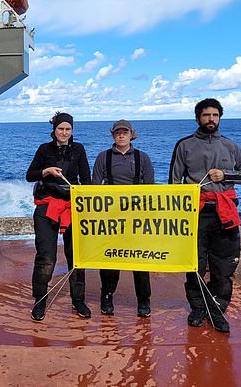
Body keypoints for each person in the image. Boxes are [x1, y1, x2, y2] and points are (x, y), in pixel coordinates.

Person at [169, 98, 241, 333]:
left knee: (224, 264)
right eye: (206, 115)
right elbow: (174, 182)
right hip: (196, 213)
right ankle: (197, 307)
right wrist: (178, 216)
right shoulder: (184, 145)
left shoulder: (230, 146)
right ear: (198, 118)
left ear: (220, 118)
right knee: (195, 263)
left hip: (224, 212)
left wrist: (225, 175)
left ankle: (217, 308)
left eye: (215, 115)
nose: (211, 119)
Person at [26, 112, 92, 321]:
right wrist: (46, 171)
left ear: (72, 131)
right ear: (54, 130)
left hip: (72, 207)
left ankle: (78, 300)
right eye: (60, 128)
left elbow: (86, 180)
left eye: (68, 129)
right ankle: (40, 300)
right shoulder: (44, 149)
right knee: (46, 258)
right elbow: (30, 175)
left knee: (76, 256)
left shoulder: (79, 149)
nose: (64, 132)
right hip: (47, 207)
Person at [91, 119, 155, 317]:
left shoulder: (142, 157)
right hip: (111, 218)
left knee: (140, 260)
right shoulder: (103, 157)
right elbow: (94, 188)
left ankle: (144, 300)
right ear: (113, 135)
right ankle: (107, 296)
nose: (121, 135)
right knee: (110, 258)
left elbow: (150, 189)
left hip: (136, 218)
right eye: (117, 132)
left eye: (124, 132)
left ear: (131, 135)